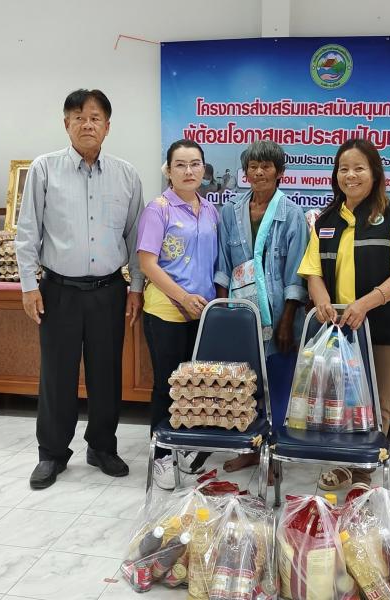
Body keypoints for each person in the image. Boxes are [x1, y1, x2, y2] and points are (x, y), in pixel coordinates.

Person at [15, 89, 145, 490]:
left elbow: (136, 235)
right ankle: (52, 453)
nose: (87, 124)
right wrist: (28, 286)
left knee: (107, 373)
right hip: (58, 291)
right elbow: (27, 231)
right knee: (57, 375)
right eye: (78, 117)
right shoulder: (45, 169)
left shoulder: (126, 175)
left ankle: (102, 447)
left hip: (109, 290)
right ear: (66, 123)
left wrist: (137, 288)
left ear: (107, 126)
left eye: (95, 117)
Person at [297, 138, 390, 491]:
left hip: (384, 326)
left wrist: (365, 304)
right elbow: (313, 272)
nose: (350, 175)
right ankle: (342, 462)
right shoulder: (326, 220)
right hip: (338, 329)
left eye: (359, 168)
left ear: (375, 173)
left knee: (377, 401)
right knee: (341, 400)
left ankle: (364, 467)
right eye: (343, 169)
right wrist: (322, 300)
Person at [214, 140, 309, 474]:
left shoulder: (292, 214)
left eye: (266, 166)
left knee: (279, 386)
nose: (258, 172)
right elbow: (223, 265)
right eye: (252, 166)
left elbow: (296, 271)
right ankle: (250, 448)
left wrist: (287, 321)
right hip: (242, 314)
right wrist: (224, 314)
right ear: (245, 172)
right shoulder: (231, 211)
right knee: (244, 385)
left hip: (281, 314)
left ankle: (275, 455)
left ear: (280, 172)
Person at [137, 139, 219, 490]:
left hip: (202, 313)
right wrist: (182, 297)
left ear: (204, 169)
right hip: (166, 310)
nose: (188, 171)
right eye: (180, 165)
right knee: (167, 386)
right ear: (168, 171)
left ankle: (184, 445)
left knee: (194, 385)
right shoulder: (158, 209)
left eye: (195, 164)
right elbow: (147, 263)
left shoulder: (211, 210)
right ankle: (161, 456)